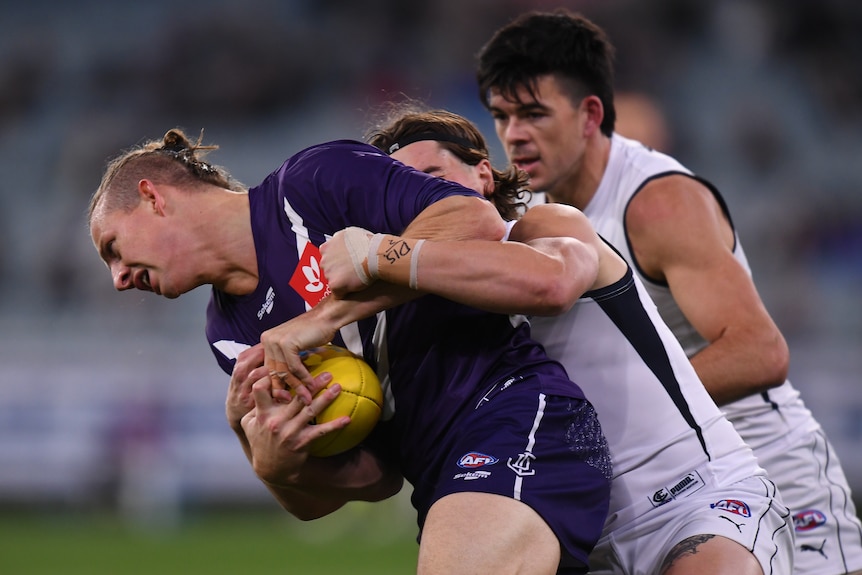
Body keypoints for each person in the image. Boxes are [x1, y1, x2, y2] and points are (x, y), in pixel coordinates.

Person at [88, 128, 613, 574]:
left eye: (114, 247)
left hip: (517, 415)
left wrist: (324, 318)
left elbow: (474, 223)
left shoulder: (311, 183)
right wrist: (274, 465)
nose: (118, 279)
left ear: (153, 197)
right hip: (437, 478)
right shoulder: (227, 334)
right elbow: (375, 476)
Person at [318, 106, 793, 574]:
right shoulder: (411, 320)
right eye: (401, 187)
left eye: (432, 174)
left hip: (693, 500)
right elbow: (382, 470)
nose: (418, 196)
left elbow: (554, 284)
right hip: (573, 534)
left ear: (484, 174)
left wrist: (376, 254)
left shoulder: (544, 227)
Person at [475, 9, 862, 575]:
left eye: (533, 113)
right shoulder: (529, 214)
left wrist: (614, 411)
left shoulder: (657, 203)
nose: (514, 134)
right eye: (502, 116)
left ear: (590, 114)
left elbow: (760, 351)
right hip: (649, 488)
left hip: (766, 470)